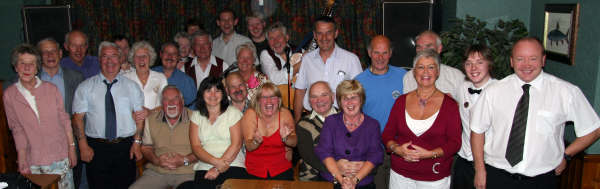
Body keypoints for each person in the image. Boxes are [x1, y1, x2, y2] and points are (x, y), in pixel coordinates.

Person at [470, 37, 600, 189]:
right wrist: (480, 170)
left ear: (543, 60)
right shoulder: (493, 92)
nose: (526, 65)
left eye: (533, 58)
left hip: (542, 180)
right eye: (520, 59)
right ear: (511, 61)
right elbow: (477, 131)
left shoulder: (566, 92)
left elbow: (593, 130)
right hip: (497, 176)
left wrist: (566, 154)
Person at [381, 49, 462, 189]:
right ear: (414, 72)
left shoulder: (450, 105)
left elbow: (455, 142)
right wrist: (397, 149)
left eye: (431, 67)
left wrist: (431, 154)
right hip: (400, 175)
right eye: (421, 67)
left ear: (437, 72)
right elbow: (387, 134)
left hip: (434, 177)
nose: (426, 72)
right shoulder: (400, 101)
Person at [72, 41, 145, 189]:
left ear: (120, 59)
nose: (110, 61)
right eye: (105, 56)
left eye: (114, 56)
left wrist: (137, 143)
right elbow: (77, 119)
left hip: (125, 147)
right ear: (99, 60)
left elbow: (140, 118)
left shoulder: (132, 87)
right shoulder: (85, 87)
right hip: (96, 148)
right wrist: (83, 145)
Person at [4, 44, 76, 189]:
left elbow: (65, 120)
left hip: (60, 156)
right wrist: (22, 158)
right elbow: (17, 129)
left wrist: (72, 149)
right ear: (16, 67)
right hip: (34, 161)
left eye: (31, 64)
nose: (27, 68)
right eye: (22, 63)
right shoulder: (9, 95)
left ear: (37, 68)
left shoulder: (51, 90)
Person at [354, 35, 406, 189]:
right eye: (376, 52)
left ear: (390, 53)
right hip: (373, 150)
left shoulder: (404, 76)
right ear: (369, 52)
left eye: (385, 53)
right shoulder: (359, 82)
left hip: (400, 148)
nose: (380, 57)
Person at [314, 80, 383, 189]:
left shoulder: (373, 125)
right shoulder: (331, 122)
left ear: (361, 100)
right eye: (345, 98)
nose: (350, 103)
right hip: (332, 181)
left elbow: (375, 155)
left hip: (362, 183)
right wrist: (341, 180)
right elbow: (324, 152)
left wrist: (355, 180)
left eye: (354, 97)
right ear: (340, 102)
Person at [293, 16, 363, 122]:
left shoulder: (351, 59)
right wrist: (296, 123)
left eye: (328, 33)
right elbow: (300, 91)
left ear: (336, 33)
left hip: (343, 120)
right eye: (320, 33)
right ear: (315, 35)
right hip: (312, 119)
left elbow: (359, 94)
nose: (324, 38)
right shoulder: (307, 59)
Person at [37, 38, 85, 189]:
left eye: (53, 51)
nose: (50, 55)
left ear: (60, 53)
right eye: (45, 52)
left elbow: (82, 113)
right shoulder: (31, 79)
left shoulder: (76, 77)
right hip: (41, 146)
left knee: (72, 184)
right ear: (39, 56)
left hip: (71, 142)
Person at [129, 86, 197, 189]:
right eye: (166, 99)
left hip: (187, 172)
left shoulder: (196, 119)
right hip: (157, 171)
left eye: (175, 98)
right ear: (162, 103)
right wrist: (156, 161)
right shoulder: (150, 120)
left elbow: (204, 149)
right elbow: (146, 147)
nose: (171, 103)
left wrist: (185, 160)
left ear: (182, 101)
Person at [450, 44, 497, 189]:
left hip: (489, 164)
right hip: (463, 161)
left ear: (489, 64)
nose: (473, 68)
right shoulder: (463, 87)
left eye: (479, 62)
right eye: (468, 63)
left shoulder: (501, 91)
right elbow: (449, 101)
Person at [186, 77, 247, 188]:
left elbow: (237, 144)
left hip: (232, 164)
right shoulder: (196, 116)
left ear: (223, 94)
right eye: (208, 90)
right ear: (202, 94)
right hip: (205, 166)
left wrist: (217, 168)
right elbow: (196, 147)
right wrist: (216, 163)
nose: (213, 95)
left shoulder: (233, 113)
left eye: (217, 90)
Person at [241, 82, 297, 180]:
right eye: (264, 97)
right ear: (258, 101)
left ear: (278, 100)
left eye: (273, 97)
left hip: (281, 169)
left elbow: (294, 142)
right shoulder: (250, 114)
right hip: (254, 170)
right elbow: (249, 147)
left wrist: (286, 138)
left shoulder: (284, 113)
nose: (269, 101)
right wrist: (256, 142)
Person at [402, 30, 464, 97]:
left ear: (439, 49)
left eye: (428, 46)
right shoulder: (409, 77)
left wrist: (450, 103)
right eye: (419, 47)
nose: (423, 50)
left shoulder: (456, 76)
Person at [296, 81, 337, 181]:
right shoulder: (303, 124)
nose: (319, 100)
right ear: (309, 101)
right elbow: (311, 158)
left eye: (324, 95)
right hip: (313, 178)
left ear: (333, 97)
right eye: (314, 96)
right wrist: (338, 169)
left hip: (347, 178)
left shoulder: (346, 118)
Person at [260, 22, 301, 109]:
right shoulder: (266, 54)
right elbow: (275, 79)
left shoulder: (300, 50)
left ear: (286, 38)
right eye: (271, 38)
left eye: (279, 36)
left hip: (302, 104)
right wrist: (299, 66)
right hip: (279, 107)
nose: (276, 41)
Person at [123, 41, 168, 110]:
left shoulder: (161, 78)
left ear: (150, 58)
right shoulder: (125, 78)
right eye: (137, 56)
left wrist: (150, 112)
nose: (141, 59)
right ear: (133, 59)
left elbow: (166, 103)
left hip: (154, 119)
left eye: (144, 56)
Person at [152, 42, 197, 107]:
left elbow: (191, 109)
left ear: (178, 57)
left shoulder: (187, 81)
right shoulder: (149, 74)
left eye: (174, 54)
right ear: (161, 55)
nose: (170, 56)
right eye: (166, 53)